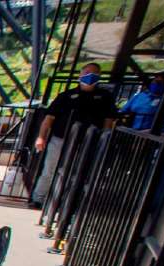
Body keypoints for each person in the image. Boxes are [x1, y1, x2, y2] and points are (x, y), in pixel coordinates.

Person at [31, 63, 117, 207]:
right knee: (50, 170)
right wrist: (41, 137)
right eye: (87, 72)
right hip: (60, 138)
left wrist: (104, 139)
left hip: (87, 142)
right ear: (80, 75)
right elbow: (49, 119)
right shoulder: (66, 96)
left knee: (77, 173)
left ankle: (65, 203)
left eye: (95, 73)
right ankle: (39, 198)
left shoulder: (104, 97)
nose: (90, 76)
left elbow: (108, 121)